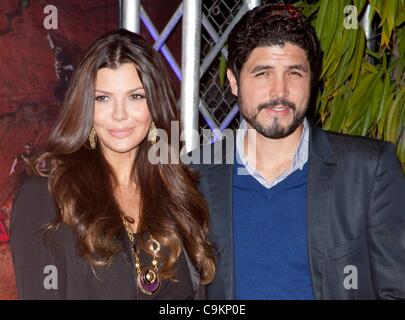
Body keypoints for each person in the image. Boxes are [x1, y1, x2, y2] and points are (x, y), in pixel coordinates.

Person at [190, 4, 405, 299]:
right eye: (262, 73)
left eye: (294, 73)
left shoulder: (368, 171)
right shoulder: (193, 175)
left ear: (312, 79)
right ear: (233, 82)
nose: (279, 91)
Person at [10, 29, 215, 299]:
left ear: (155, 104)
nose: (119, 114)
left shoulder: (178, 194)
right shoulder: (47, 197)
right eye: (103, 98)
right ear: (85, 106)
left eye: (136, 96)